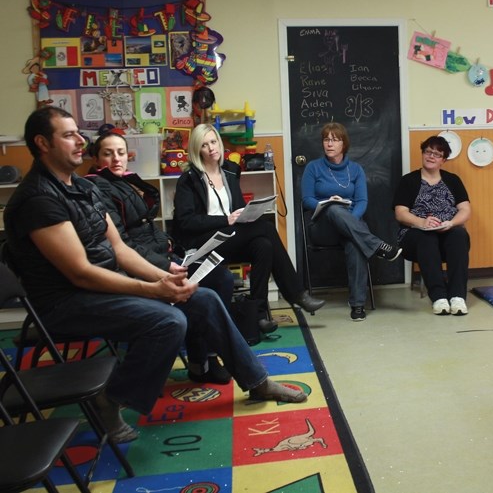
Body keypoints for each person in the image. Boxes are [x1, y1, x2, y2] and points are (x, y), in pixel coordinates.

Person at [3, 107, 307, 444]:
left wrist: (166, 276)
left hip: (100, 287)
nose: (80, 140)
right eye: (68, 134)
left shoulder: (81, 188)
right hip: (67, 303)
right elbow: (81, 274)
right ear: (43, 143)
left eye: (78, 132)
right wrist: (155, 291)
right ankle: (110, 401)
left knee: (201, 296)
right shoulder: (39, 200)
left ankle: (257, 381)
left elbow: (119, 248)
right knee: (168, 321)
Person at [85, 126, 266, 386]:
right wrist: (166, 264)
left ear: (128, 155)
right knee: (214, 283)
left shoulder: (124, 182)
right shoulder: (99, 189)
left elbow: (146, 230)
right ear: (96, 158)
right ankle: (205, 360)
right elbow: (124, 245)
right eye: (108, 153)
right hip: (146, 266)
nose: (116, 159)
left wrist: (172, 249)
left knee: (226, 274)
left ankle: (205, 358)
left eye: (121, 152)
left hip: (167, 253)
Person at [172, 124, 325, 321]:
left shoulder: (230, 172)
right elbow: (186, 221)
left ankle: (258, 315)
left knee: (264, 245)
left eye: (213, 142)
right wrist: (226, 219)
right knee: (267, 228)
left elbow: (237, 207)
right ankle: (296, 293)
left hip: (230, 237)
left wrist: (248, 214)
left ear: (219, 142)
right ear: (197, 150)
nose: (211, 148)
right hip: (204, 243)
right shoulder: (188, 179)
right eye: (204, 145)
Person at [300, 122, 403, 321]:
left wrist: (350, 222)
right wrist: (328, 203)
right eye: (326, 139)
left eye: (335, 139)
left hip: (350, 225)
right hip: (322, 227)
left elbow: (362, 201)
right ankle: (377, 246)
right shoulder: (313, 167)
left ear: (344, 144)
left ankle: (357, 305)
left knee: (356, 243)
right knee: (334, 207)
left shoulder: (355, 169)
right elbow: (307, 200)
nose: (329, 144)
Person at [393, 135, 471, 316]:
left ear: (443, 160)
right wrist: (422, 223)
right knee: (426, 237)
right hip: (415, 236)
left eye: (437, 154)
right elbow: (400, 213)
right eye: (428, 151)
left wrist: (451, 223)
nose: (431, 156)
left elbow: (465, 210)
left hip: (447, 232)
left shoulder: (453, 180)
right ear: (423, 154)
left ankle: (458, 297)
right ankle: (439, 297)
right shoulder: (408, 181)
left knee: (459, 235)